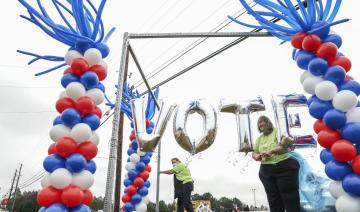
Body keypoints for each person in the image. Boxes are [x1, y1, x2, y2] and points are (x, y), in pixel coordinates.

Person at [252, 115, 300, 212]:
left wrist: (272, 151)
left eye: (263, 121)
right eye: (259, 123)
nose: (261, 124)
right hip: (266, 170)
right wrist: (256, 156)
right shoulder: (259, 139)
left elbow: (286, 144)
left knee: (289, 196)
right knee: (273, 199)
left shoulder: (278, 131)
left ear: (268, 122)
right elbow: (254, 152)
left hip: (284, 166)